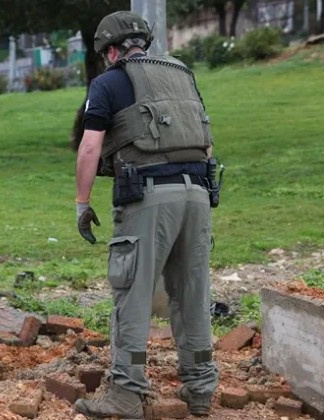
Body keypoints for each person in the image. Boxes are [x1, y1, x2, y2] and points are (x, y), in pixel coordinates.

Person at [74, 11, 219, 419]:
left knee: (132, 296)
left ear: (113, 50)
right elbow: (207, 144)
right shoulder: (183, 76)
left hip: (149, 199)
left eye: (106, 53)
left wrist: (82, 204)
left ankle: (125, 394)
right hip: (198, 195)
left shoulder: (109, 82)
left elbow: (89, 148)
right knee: (192, 295)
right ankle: (201, 388)